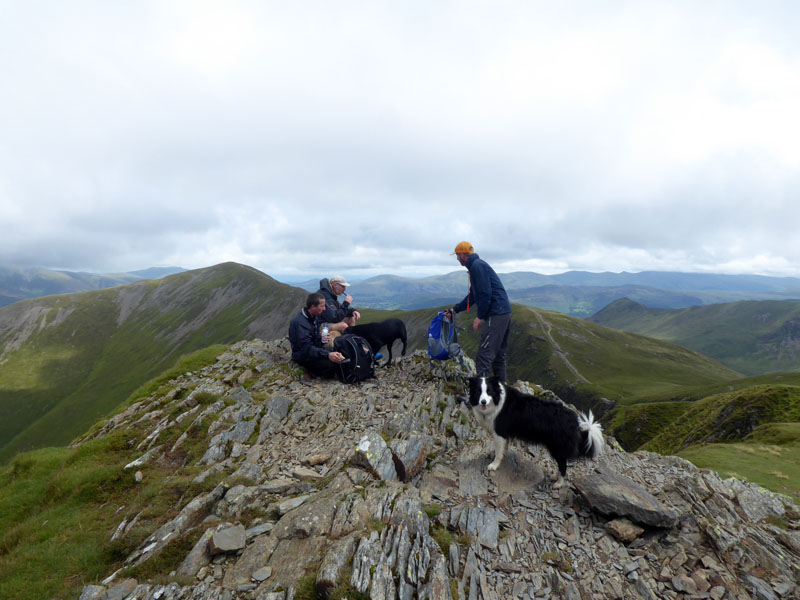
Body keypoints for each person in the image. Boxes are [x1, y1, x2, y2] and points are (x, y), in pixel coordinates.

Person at [447, 241, 512, 382]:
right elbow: (473, 296)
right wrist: (455, 310)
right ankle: (501, 395)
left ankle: (479, 397)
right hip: (504, 312)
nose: (457, 258)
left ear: (464, 255)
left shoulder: (477, 267)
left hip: (496, 313)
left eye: (457, 255)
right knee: (498, 356)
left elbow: (485, 293)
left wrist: (480, 316)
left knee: (484, 355)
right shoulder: (477, 266)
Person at [288, 292, 348, 378]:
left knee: (340, 354)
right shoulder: (300, 323)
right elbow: (306, 349)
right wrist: (327, 355)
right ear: (313, 307)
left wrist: (321, 339)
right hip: (303, 356)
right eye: (322, 306)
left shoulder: (314, 318)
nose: (324, 309)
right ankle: (311, 373)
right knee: (332, 365)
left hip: (315, 350)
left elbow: (314, 341)